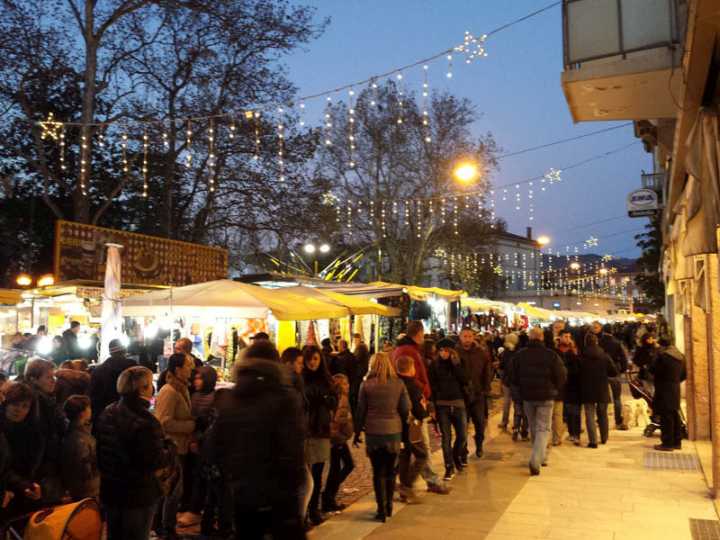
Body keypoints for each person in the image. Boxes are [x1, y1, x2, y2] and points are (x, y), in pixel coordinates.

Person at [207, 349, 306, 539]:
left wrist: (234, 475)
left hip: (243, 493)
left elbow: (214, 447)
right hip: (279, 494)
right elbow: (292, 450)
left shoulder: (230, 399)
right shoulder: (284, 398)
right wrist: (293, 483)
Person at [96, 366, 175, 540]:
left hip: (111, 490)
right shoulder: (146, 421)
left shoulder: (108, 411)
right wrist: (170, 448)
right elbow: (154, 460)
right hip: (138, 494)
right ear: (144, 388)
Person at [392, 321, 448, 495]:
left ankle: (399, 481)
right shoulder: (409, 351)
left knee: (408, 449)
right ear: (419, 333)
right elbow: (412, 377)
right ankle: (428, 481)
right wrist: (423, 390)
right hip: (415, 408)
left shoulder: (401, 350)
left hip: (408, 405)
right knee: (422, 446)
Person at [353, 352, 410, 522]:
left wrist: (357, 432)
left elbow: (360, 410)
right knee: (391, 470)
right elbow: (406, 409)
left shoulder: (366, 385)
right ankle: (390, 506)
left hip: (374, 432)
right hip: (393, 431)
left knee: (378, 472)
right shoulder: (399, 384)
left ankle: (381, 508)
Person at [510, 327, 566, 475]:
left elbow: (512, 377)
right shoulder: (551, 355)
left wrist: (518, 394)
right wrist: (555, 389)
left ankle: (540, 456)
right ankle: (536, 459)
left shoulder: (520, 355)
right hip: (546, 396)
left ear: (529, 337)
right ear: (541, 338)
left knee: (534, 427)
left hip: (527, 397)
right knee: (543, 428)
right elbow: (561, 375)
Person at [154, 352, 196, 536]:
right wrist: (192, 425)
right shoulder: (169, 391)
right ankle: (166, 528)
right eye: (188, 365)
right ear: (178, 369)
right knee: (173, 491)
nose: (191, 369)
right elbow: (163, 422)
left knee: (174, 491)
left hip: (181, 445)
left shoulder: (182, 388)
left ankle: (163, 525)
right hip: (172, 448)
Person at [302, 345, 337, 527]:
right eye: (309, 359)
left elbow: (333, 401)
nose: (312, 363)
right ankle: (305, 511)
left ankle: (314, 508)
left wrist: (324, 399)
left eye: (315, 359)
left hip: (321, 429)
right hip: (306, 430)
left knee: (317, 472)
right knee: (306, 474)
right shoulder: (301, 379)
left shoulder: (326, 379)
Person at [24, 359, 66, 503]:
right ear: (33, 379)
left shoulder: (44, 399)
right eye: (48, 377)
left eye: (54, 376)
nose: (53, 381)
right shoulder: (37, 401)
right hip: (43, 468)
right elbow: (41, 437)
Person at [0, 383, 44, 519]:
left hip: (26, 494)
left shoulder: (35, 433)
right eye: (15, 404)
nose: (18, 409)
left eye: (25, 406)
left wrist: (36, 488)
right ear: (6, 403)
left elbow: (38, 466)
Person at [429, 339, 468, 480]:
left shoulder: (459, 362)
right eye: (441, 350)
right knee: (446, 438)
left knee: (462, 436)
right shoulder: (434, 365)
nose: (443, 353)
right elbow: (431, 387)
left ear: (452, 351)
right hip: (442, 404)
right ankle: (449, 467)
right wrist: (432, 406)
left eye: (446, 350)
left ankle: (456, 456)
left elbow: (465, 379)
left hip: (458, 402)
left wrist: (456, 365)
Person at [187, 365, 218, 525]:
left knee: (204, 476)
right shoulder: (194, 396)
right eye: (196, 377)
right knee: (196, 475)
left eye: (200, 378)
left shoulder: (214, 397)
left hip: (207, 444)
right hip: (195, 441)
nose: (196, 381)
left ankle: (200, 510)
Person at [396, 355, 428, 504]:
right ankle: (407, 485)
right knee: (422, 455)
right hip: (412, 425)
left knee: (404, 456)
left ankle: (404, 488)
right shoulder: (413, 386)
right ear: (410, 369)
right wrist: (424, 413)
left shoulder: (395, 383)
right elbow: (419, 408)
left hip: (398, 426)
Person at [456, 327, 492, 459]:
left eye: (469, 336)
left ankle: (479, 444)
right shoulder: (456, 352)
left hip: (478, 394)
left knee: (480, 423)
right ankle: (463, 449)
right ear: (460, 337)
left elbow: (487, 371)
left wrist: (486, 388)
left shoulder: (481, 353)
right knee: (462, 425)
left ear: (473, 337)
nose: (467, 339)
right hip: (461, 395)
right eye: (464, 336)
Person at [322, 373, 354, 513]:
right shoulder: (341, 400)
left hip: (338, 438)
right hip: (337, 439)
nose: (348, 386)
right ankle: (328, 496)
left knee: (338, 468)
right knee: (345, 466)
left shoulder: (341, 398)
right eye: (346, 384)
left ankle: (329, 496)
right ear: (340, 386)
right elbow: (336, 421)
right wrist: (338, 437)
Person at [579, 333, 618, 448]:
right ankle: (604, 437)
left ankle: (593, 441)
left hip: (587, 389)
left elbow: (578, 372)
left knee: (589, 415)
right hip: (602, 388)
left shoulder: (582, 356)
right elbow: (614, 371)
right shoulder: (604, 356)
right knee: (602, 414)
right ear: (597, 342)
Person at [650, 337, 687, 451]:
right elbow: (684, 374)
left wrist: (656, 354)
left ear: (662, 346)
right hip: (675, 387)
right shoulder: (681, 356)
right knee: (674, 414)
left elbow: (653, 369)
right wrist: (675, 381)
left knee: (666, 416)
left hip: (664, 387)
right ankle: (677, 441)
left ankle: (667, 443)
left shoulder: (663, 356)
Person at [591, 321, 629, 430]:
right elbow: (623, 358)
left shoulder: (598, 342)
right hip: (614, 372)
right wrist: (622, 370)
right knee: (617, 398)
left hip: (601, 373)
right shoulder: (617, 342)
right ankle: (618, 420)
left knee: (601, 398)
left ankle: (601, 419)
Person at [61, 395, 99, 500]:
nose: (91, 410)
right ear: (82, 413)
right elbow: (85, 469)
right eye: (89, 407)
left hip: (85, 488)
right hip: (87, 491)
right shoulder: (79, 439)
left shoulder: (73, 432)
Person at [89, 339, 136, 422]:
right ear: (125, 351)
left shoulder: (98, 371)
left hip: (103, 417)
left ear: (110, 353)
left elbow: (93, 397)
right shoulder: (133, 367)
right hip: (129, 417)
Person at [557, 330, 582, 445]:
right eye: (566, 337)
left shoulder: (574, 352)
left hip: (575, 385)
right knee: (568, 411)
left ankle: (575, 434)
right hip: (565, 386)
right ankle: (572, 433)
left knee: (575, 412)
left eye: (569, 337)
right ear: (560, 337)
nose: (568, 339)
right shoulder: (557, 351)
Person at [498, 333, 519, 432]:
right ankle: (516, 423)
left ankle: (504, 421)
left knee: (507, 401)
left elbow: (502, 366)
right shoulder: (519, 351)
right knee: (517, 403)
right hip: (517, 380)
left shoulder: (506, 352)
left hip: (507, 380)